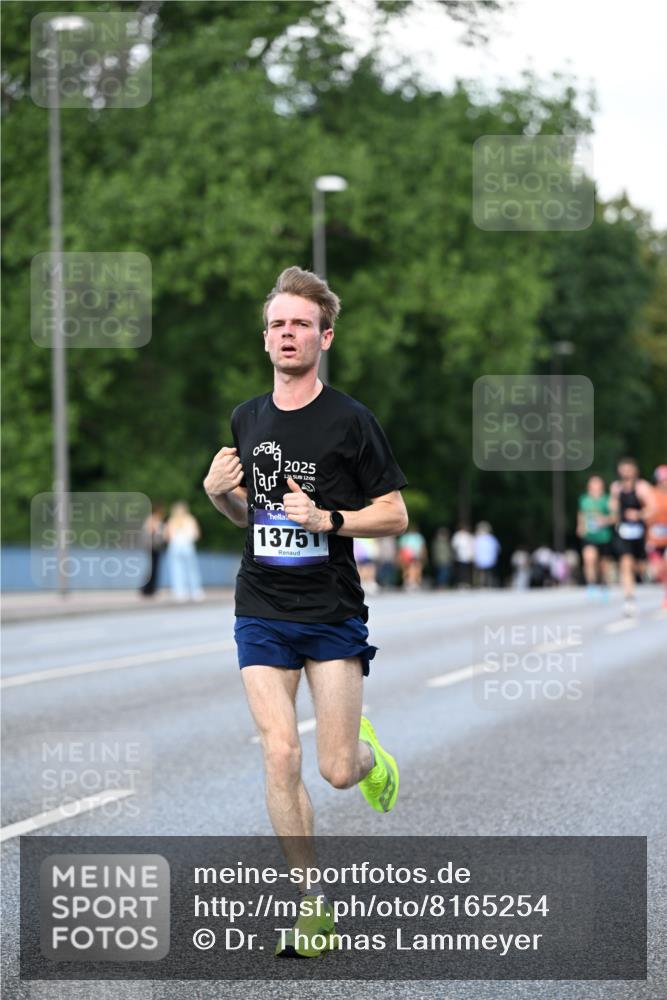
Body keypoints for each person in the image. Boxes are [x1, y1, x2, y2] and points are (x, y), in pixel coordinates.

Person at [203, 266, 408, 958]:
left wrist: (329, 517)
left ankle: (364, 754)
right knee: (280, 751)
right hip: (260, 604)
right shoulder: (247, 418)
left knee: (335, 770)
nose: (287, 333)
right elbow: (245, 518)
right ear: (265, 340)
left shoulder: (351, 421)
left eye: (299, 323)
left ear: (324, 336)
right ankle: (311, 905)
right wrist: (216, 495)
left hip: (330, 611)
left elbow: (394, 513)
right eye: (276, 324)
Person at [609, 457, 652, 616]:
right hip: (623, 532)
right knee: (625, 563)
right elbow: (612, 508)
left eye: (629, 469)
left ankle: (644, 572)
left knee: (638, 566)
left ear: (635, 470)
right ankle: (629, 599)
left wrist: (639, 514)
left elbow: (652, 509)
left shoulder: (642, 487)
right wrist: (611, 514)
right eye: (623, 469)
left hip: (640, 533)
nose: (626, 472)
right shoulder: (616, 488)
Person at [576, 475, 613, 599]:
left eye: (597, 484)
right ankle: (591, 584)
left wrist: (605, 520)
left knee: (603, 564)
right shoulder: (584, 499)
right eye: (593, 484)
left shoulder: (607, 499)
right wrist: (580, 526)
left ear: (602, 486)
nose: (595, 487)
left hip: (604, 536)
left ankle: (603, 583)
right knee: (589, 559)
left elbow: (616, 517)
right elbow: (581, 513)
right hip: (589, 535)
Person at [164, 501, 204, 602]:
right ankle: (196, 591)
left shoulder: (172, 520)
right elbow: (196, 534)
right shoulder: (190, 519)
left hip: (175, 546)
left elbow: (166, 536)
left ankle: (180, 592)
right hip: (187, 545)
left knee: (177, 570)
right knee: (192, 569)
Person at [645, 464, 667, 610]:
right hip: (654, 538)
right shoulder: (651, 494)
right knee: (658, 570)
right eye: (662, 480)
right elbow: (645, 515)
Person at [139, 501, 166, 597]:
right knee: (152, 569)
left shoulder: (157, 520)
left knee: (154, 568)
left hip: (157, 547)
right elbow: (149, 532)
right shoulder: (152, 519)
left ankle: (151, 588)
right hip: (152, 547)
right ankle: (147, 589)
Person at [397, 522, 427, 590]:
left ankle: (414, 582)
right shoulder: (405, 537)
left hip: (416, 555)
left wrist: (424, 555)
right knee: (408, 570)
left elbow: (422, 547)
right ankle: (409, 582)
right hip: (407, 556)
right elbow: (401, 548)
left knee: (417, 569)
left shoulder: (418, 537)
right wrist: (400, 557)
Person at [473, 521, 500, 588]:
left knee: (483, 572)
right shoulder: (491, 538)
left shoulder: (479, 538)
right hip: (486, 559)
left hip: (483, 559)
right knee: (486, 572)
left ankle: (484, 584)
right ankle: (486, 584)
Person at [451, 522, 474, 588]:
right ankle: (461, 582)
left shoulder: (469, 536)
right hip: (459, 556)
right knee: (460, 570)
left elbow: (472, 546)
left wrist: (472, 554)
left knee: (466, 570)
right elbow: (454, 546)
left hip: (467, 556)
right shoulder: (457, 536)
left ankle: (466, 582)